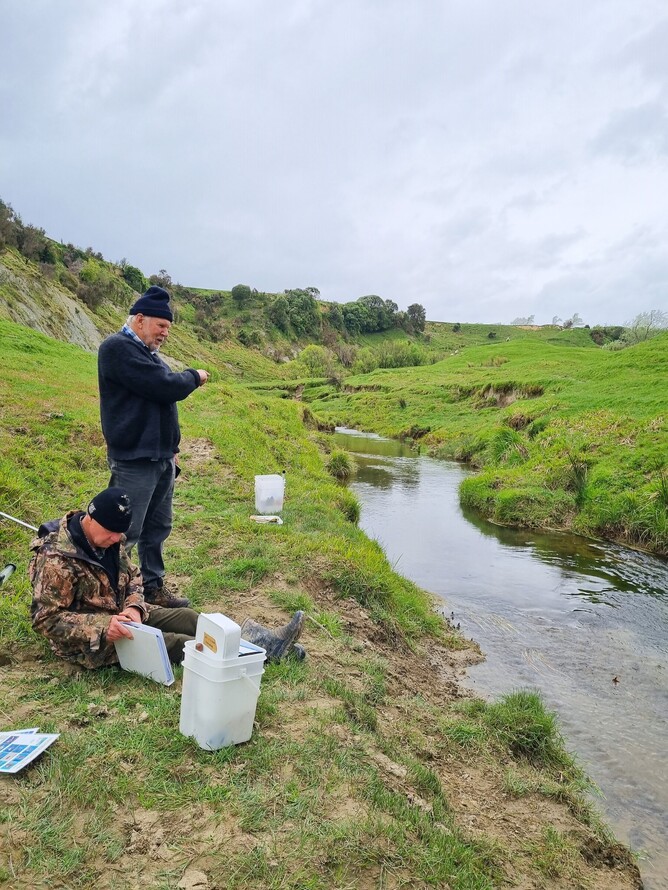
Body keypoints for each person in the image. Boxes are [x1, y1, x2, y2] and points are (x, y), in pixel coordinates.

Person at [30, 487, 305, 669]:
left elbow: (133, 578)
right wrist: (104, 627)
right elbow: (45, 620)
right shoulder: (56, 558)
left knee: (190, 618)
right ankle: (262, 654)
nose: (117, 540)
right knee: (175, 643)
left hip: (126, 617)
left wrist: (134, 607)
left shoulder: (110, 538)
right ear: (90, 519)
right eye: (111, 533)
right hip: (91, 640)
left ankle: (260, 645)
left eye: (120, 534)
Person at [97, 285, 209, 608]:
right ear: (140, 319)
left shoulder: (147, 354)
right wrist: (193, 376)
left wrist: (172, 447)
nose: (164, 333)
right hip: (134, 460)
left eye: (168, 328)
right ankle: (110, 594)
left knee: (158, 526)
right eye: (161, 326)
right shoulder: (117, 349)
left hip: (160, 458)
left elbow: (159, 402)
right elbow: (163, 387)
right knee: (124, 532)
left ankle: (151, 587)